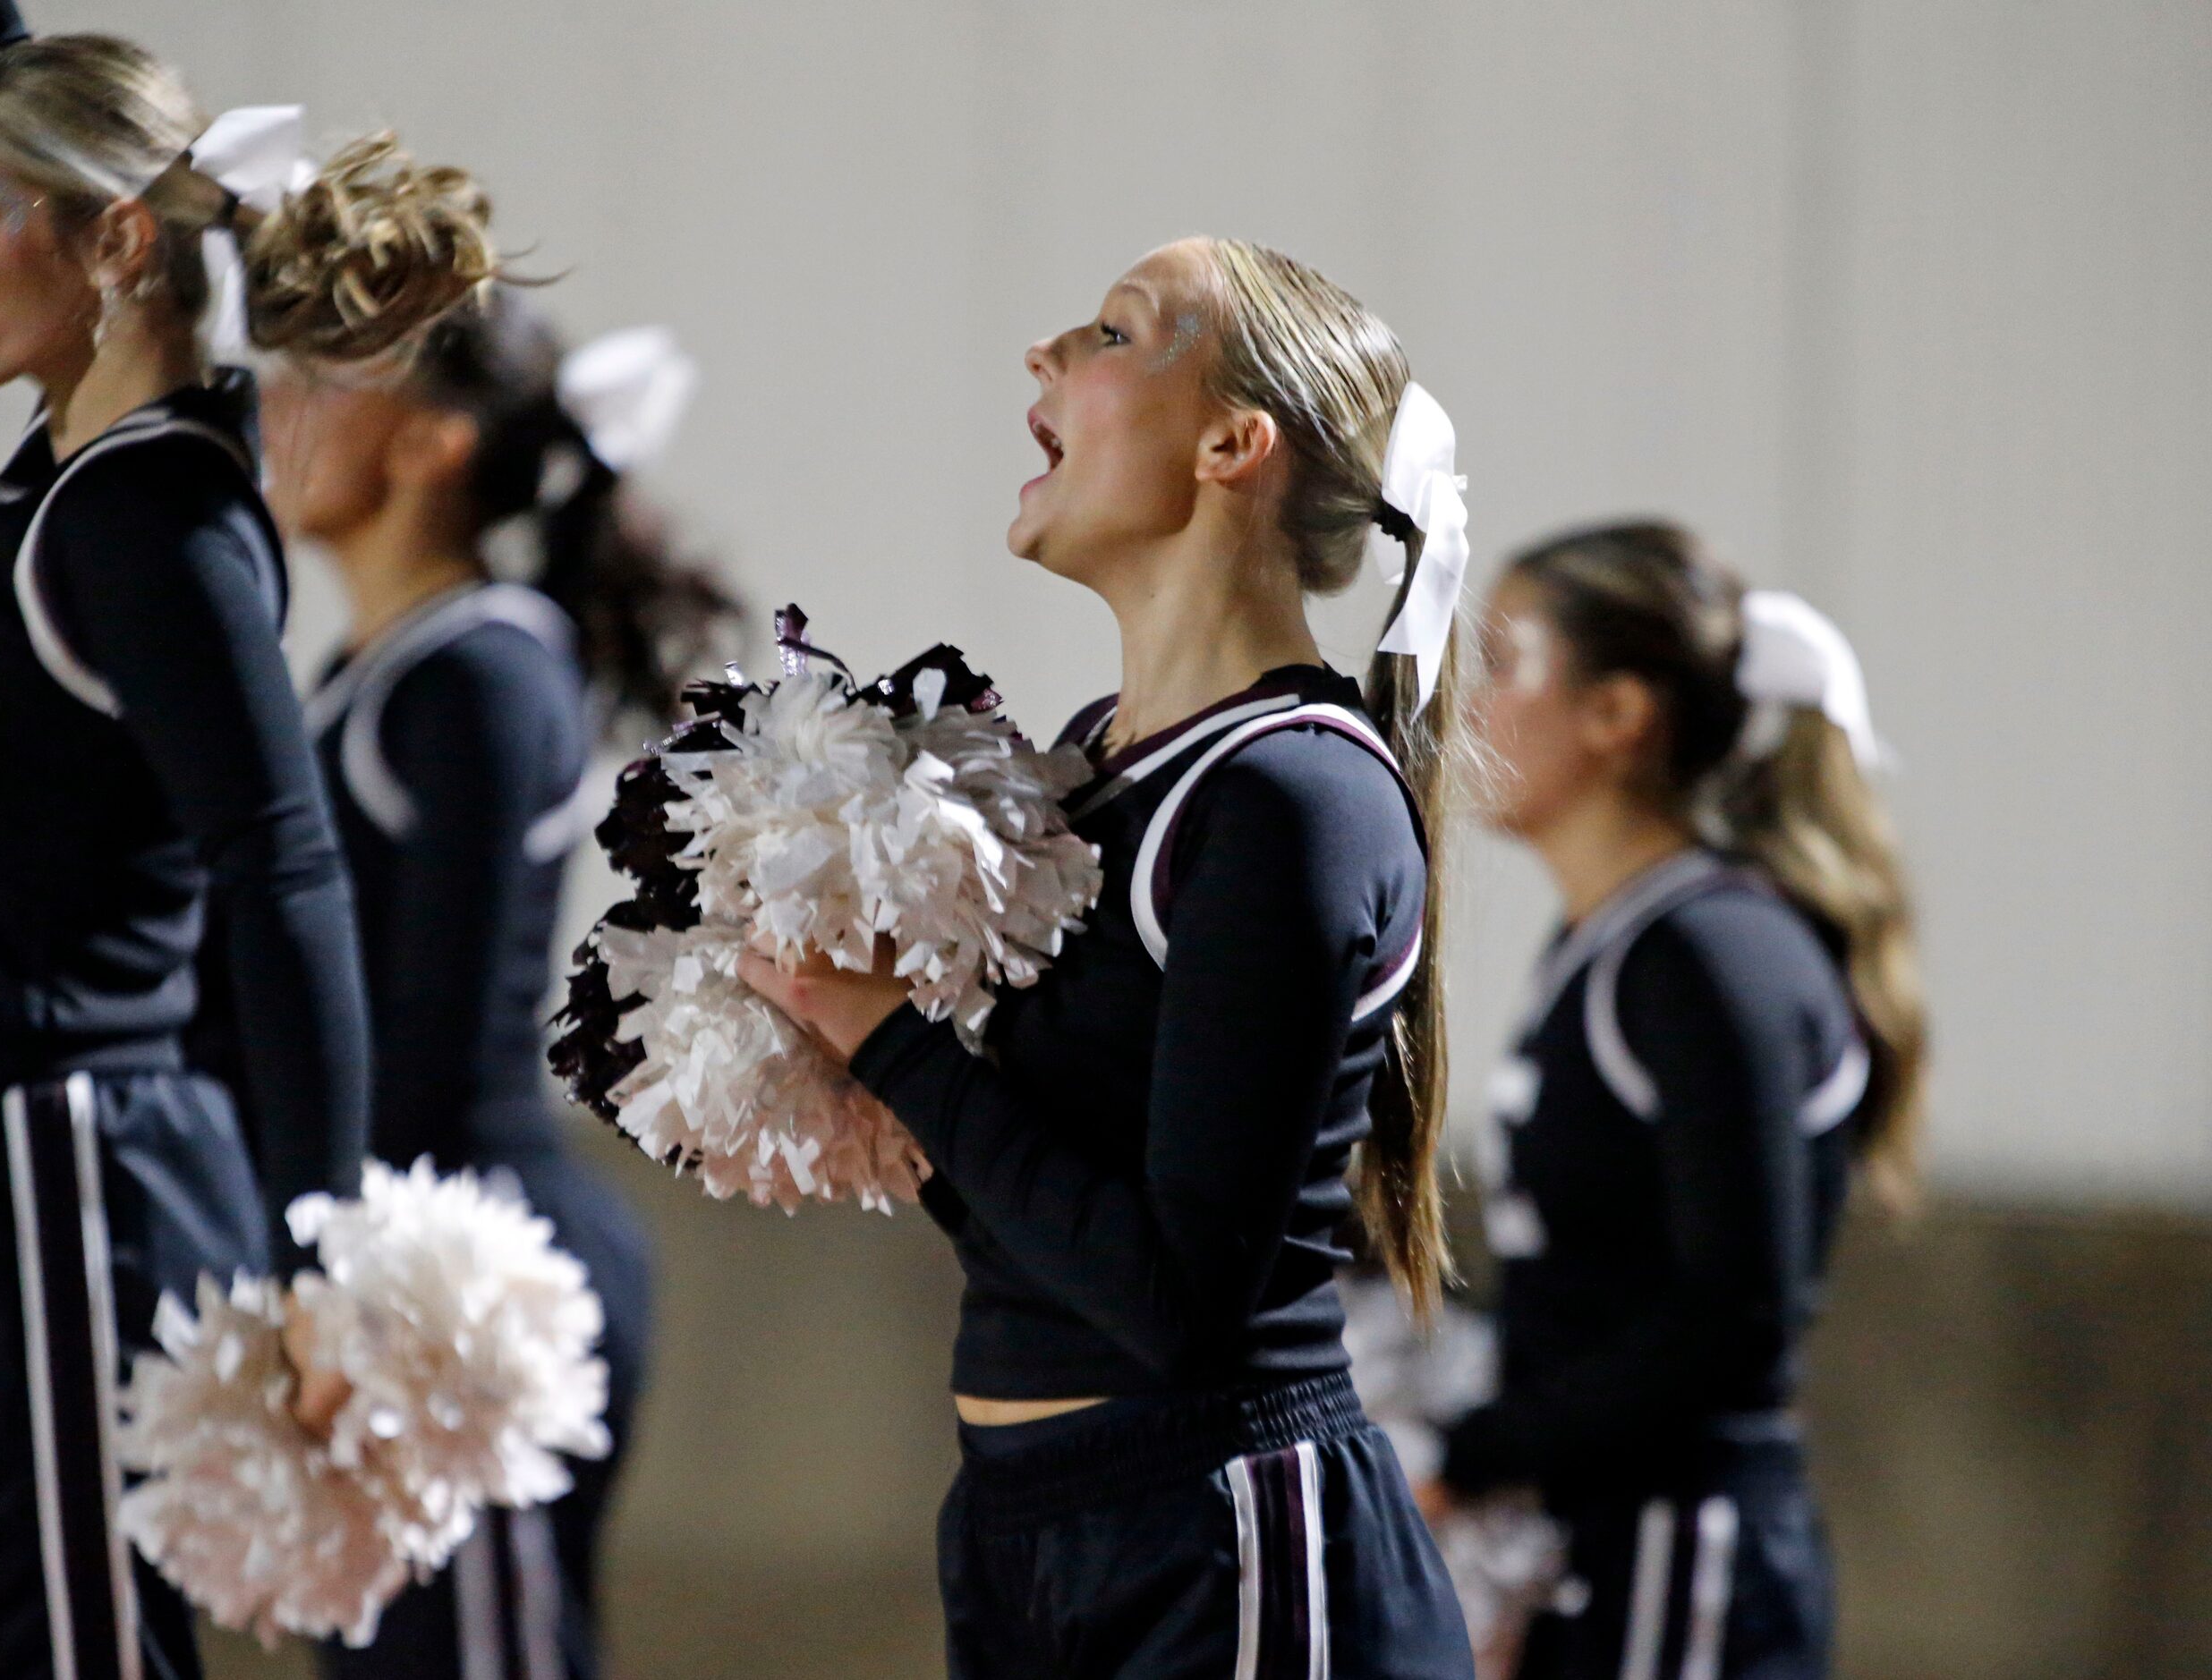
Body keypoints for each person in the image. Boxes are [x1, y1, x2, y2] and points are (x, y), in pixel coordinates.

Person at [0, 4, 498, 1676]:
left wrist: (319, 1252)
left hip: (60, 1162)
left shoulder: (155, 522)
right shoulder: (73, 480)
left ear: (117, 240)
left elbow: (285, 876)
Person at [742, 237, 1477, 1680]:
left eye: (1113, 331)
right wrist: (844, 1059)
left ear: (1229, 442)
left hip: (1222, 1537)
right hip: (1028, 1520)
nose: (1044, 354)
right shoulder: (1090, 760)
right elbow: (1046, 1225)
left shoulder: (1288, 794)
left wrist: (889, 1038)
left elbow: (1181, 1303)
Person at [261, 290, 735, 1678]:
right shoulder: (377, 662)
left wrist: (345, 1282)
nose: (271, 414)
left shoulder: (480, 667)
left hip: (466, 1273)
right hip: (387, 1242)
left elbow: (433, 1033)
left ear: (428, 443)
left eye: (314, 384)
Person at [1429, 522, 1927, 1680]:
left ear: (1617, 713)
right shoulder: (1612, 937)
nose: (1473, 700)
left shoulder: (1708, 951)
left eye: (1508, 659)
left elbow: (1737, 1313)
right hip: (1603, 1539)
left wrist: (1470, 1457)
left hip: (1683, 1551)